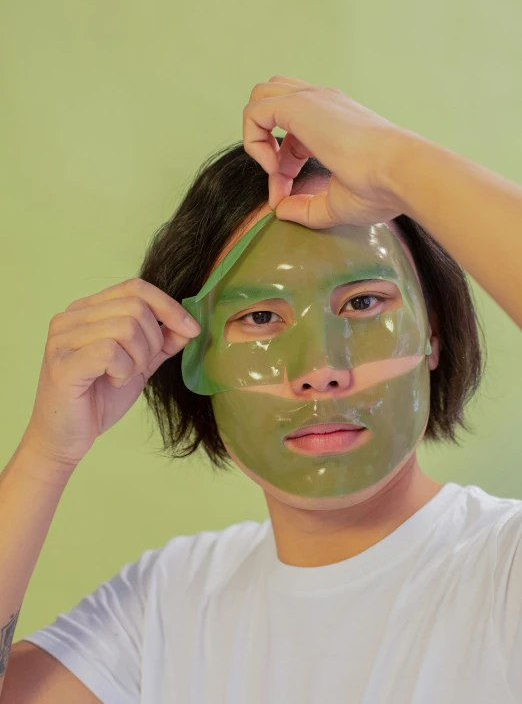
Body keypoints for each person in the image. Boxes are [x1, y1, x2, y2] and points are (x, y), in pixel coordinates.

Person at [1, 74, 521, 703]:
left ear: (432, 334)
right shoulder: (167, 604)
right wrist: (44, 456)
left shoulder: (502, 569)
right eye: (260, 318)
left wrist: (392, 161)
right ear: (190, 356)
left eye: (362, 302)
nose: (319, 370)